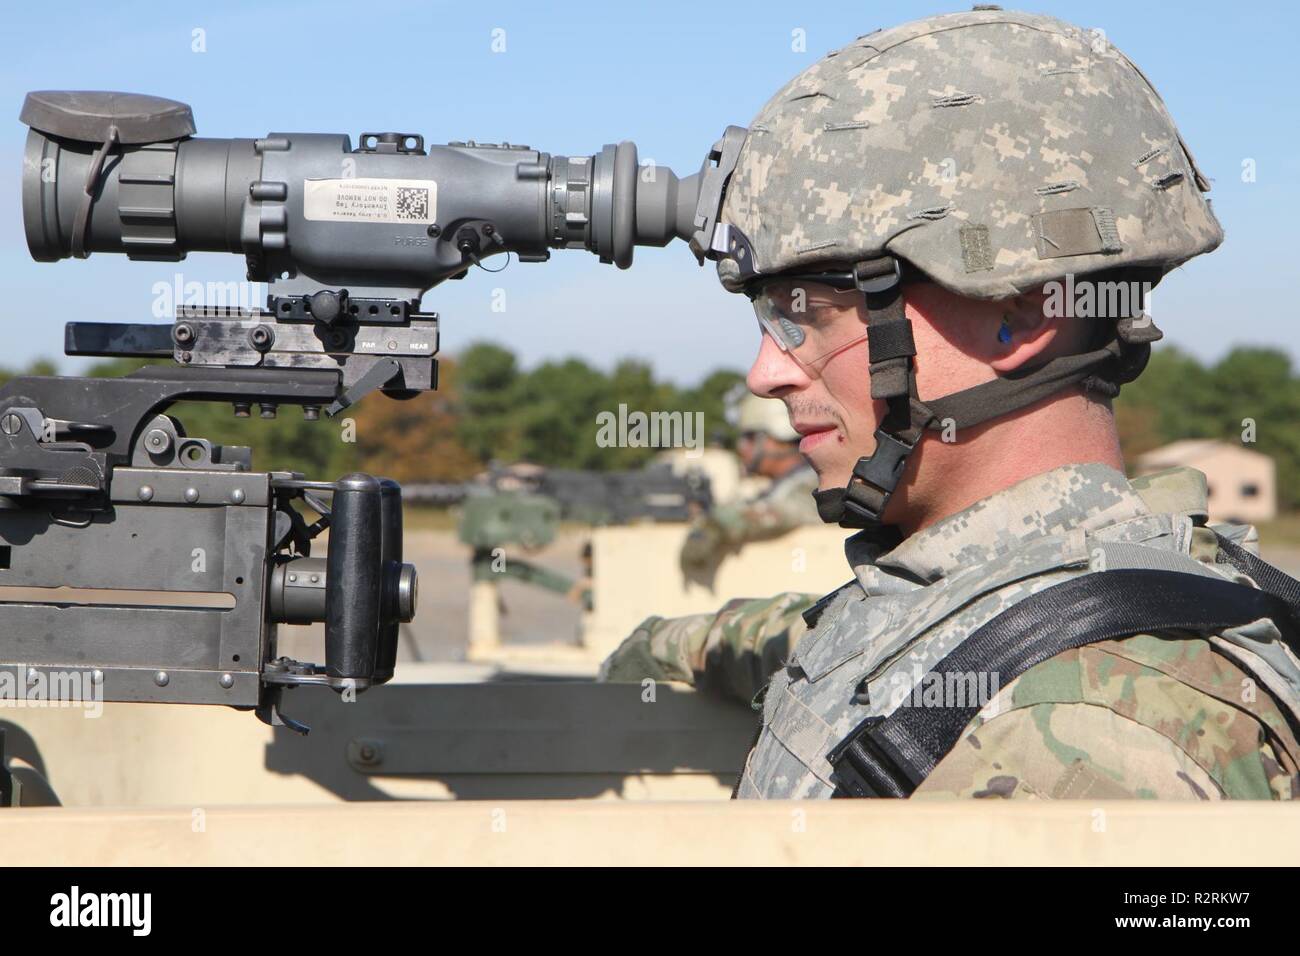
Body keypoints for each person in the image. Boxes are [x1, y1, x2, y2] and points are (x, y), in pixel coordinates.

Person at [600, 8, 1300, 799]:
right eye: (770, 318)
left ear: (1026, 312)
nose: (766, 373)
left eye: (811, 315)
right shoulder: (991, 599)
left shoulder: (1076, 741)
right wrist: (660, 647)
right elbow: (837, 635)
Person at [678, 392, 820, 577]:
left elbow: (779, 513)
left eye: (750, 437)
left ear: (779, 438)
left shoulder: (812, 482)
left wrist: (714, 524)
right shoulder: (791, 482)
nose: (741, 447)